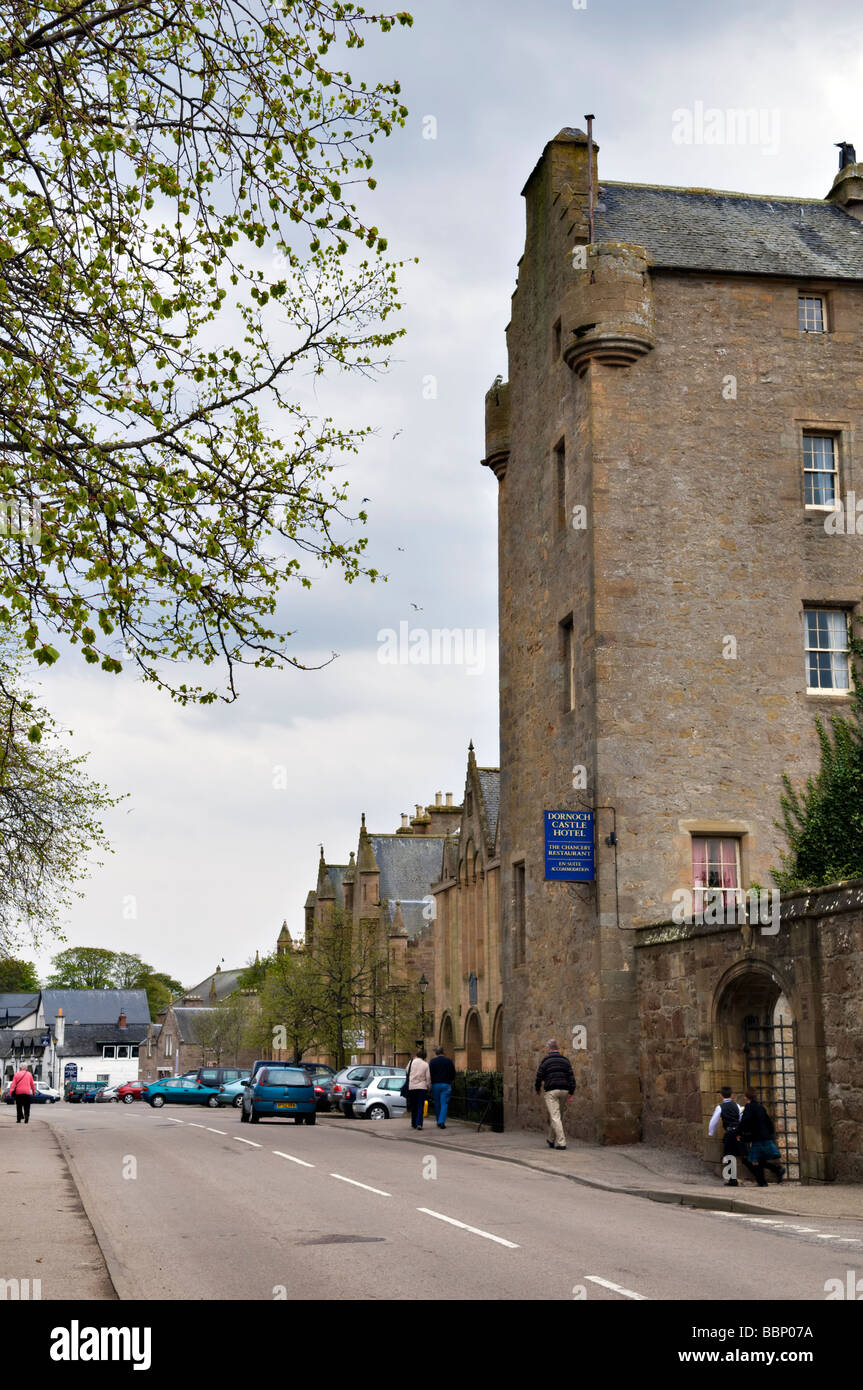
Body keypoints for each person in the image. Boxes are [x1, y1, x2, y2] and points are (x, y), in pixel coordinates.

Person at [739, 1088, 785, 1186]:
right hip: (765, 1136)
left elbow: (745, 1121)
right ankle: (777, 1170)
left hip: (757, 1137)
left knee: (754, 1160)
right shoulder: (760, 1107)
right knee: (760, 1160)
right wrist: (771, 1134)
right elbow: (768, 1121)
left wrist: (740, 1133)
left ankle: (762, 1182)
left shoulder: (749, 1107)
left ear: (746, 1097)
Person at [534, 1039, 575, 1150]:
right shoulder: (565, 1061)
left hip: (552, 1091)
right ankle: (551, 1139)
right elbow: (571, 1077)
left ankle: (562, 1142)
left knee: (555, 1116)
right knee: (557, 1116)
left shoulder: (545, 1061)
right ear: (557, 1049)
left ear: (549, 1049)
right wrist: (571, 1092)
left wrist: (537, 1089)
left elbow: (539, 1076)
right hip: (564, 1091)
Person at [708, 1085, 746, 1186]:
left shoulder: (720, 1107)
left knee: (729, 1155)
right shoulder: (737, 1105)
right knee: (741, 1153)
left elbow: (713, 1121)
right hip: (737, 1132)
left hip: (729, 1132)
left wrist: (711, 1132)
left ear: (721, 1095)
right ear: (732, 1095)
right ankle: (734, 1178)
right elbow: (740, 1118)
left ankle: (732, 1179)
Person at [429, 1046, 456, 1129]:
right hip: (446, 1084)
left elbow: (429, 1074)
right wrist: (450, 1080)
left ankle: (438, 1121)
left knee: (437, 1103)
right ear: (443, 1052)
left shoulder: (432, 1062)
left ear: (436, 1053)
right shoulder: (449, 1061)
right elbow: (453, 1073)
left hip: (435, 1085)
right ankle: (441, 1121)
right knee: (444, 1103)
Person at [406, 1047, 431, 1130]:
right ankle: (419, 1123)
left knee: (414, 1106)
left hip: (412, 1086)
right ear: (424, 1056)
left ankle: (413, 1123)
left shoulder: (411, 1062)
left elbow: (406, 1071)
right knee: (420, 1106)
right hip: (422, 1087)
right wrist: (428, 1087)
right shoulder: (426, 1064)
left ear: (417, 1055)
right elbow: (428, 1078)